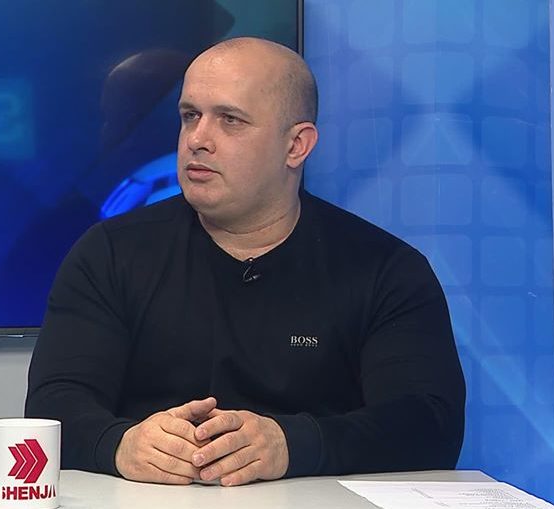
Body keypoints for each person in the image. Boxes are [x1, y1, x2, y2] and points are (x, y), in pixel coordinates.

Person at [25, 37, 465, 487]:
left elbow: (429, 425)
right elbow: (53, 407)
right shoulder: (109, 253)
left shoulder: (385, 270)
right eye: (190, 116)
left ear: (296, 145)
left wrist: (293, 445)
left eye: (230, 120)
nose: (197, 140)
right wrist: (120, 444)